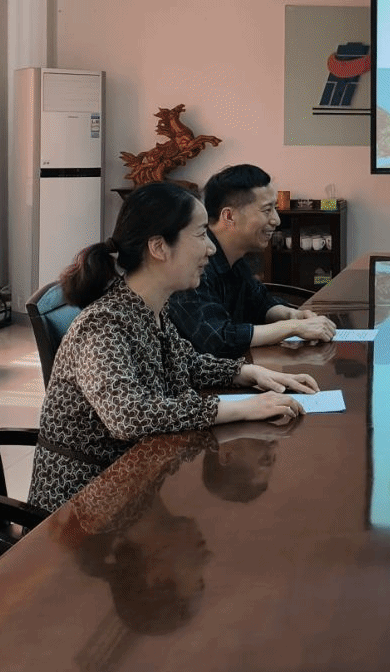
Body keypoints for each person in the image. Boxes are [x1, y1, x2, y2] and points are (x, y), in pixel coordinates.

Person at [29, 182, 319, 512]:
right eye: (200, 234)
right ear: (159, 247)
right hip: (81, 508)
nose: (210, 249)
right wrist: (239, 408)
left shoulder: (150, 308)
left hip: (133, 484)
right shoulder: (104, 323)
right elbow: (128, 415)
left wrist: (248, 373)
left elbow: (185, 362)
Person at [168, 164, 336, 355]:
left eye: (275, 209)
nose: (276, 220)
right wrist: (293, 327)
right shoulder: (195, 265)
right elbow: (218, 339)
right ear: (229, 216)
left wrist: (293, 315)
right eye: (267, 210)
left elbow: (259, 303)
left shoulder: (235, 258)